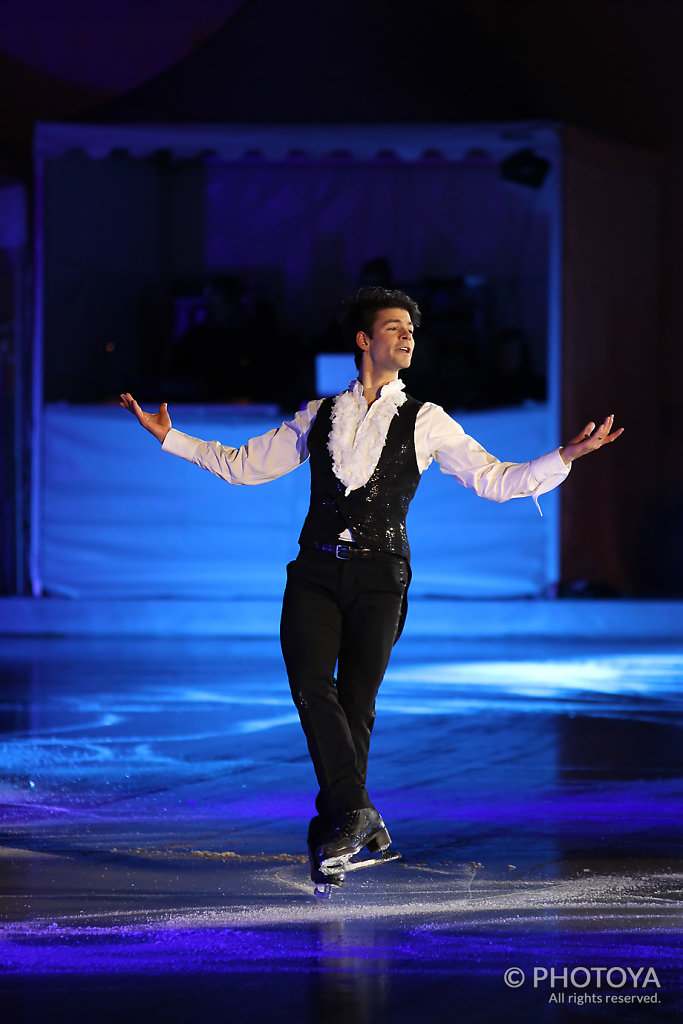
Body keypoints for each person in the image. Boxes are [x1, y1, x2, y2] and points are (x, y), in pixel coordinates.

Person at [120, 286, 623, 885]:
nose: (407, 336)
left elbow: (494, 479)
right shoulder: (320, 414)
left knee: (356, 705)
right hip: (314, 570)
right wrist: (169, 437)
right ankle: (355, 819)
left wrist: (564, 455)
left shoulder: (427, 421)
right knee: (310, 686)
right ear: (364, 340)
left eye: (411, 328)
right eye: (393, 327)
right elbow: (241, 466)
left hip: (381, 578)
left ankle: (333, 832)